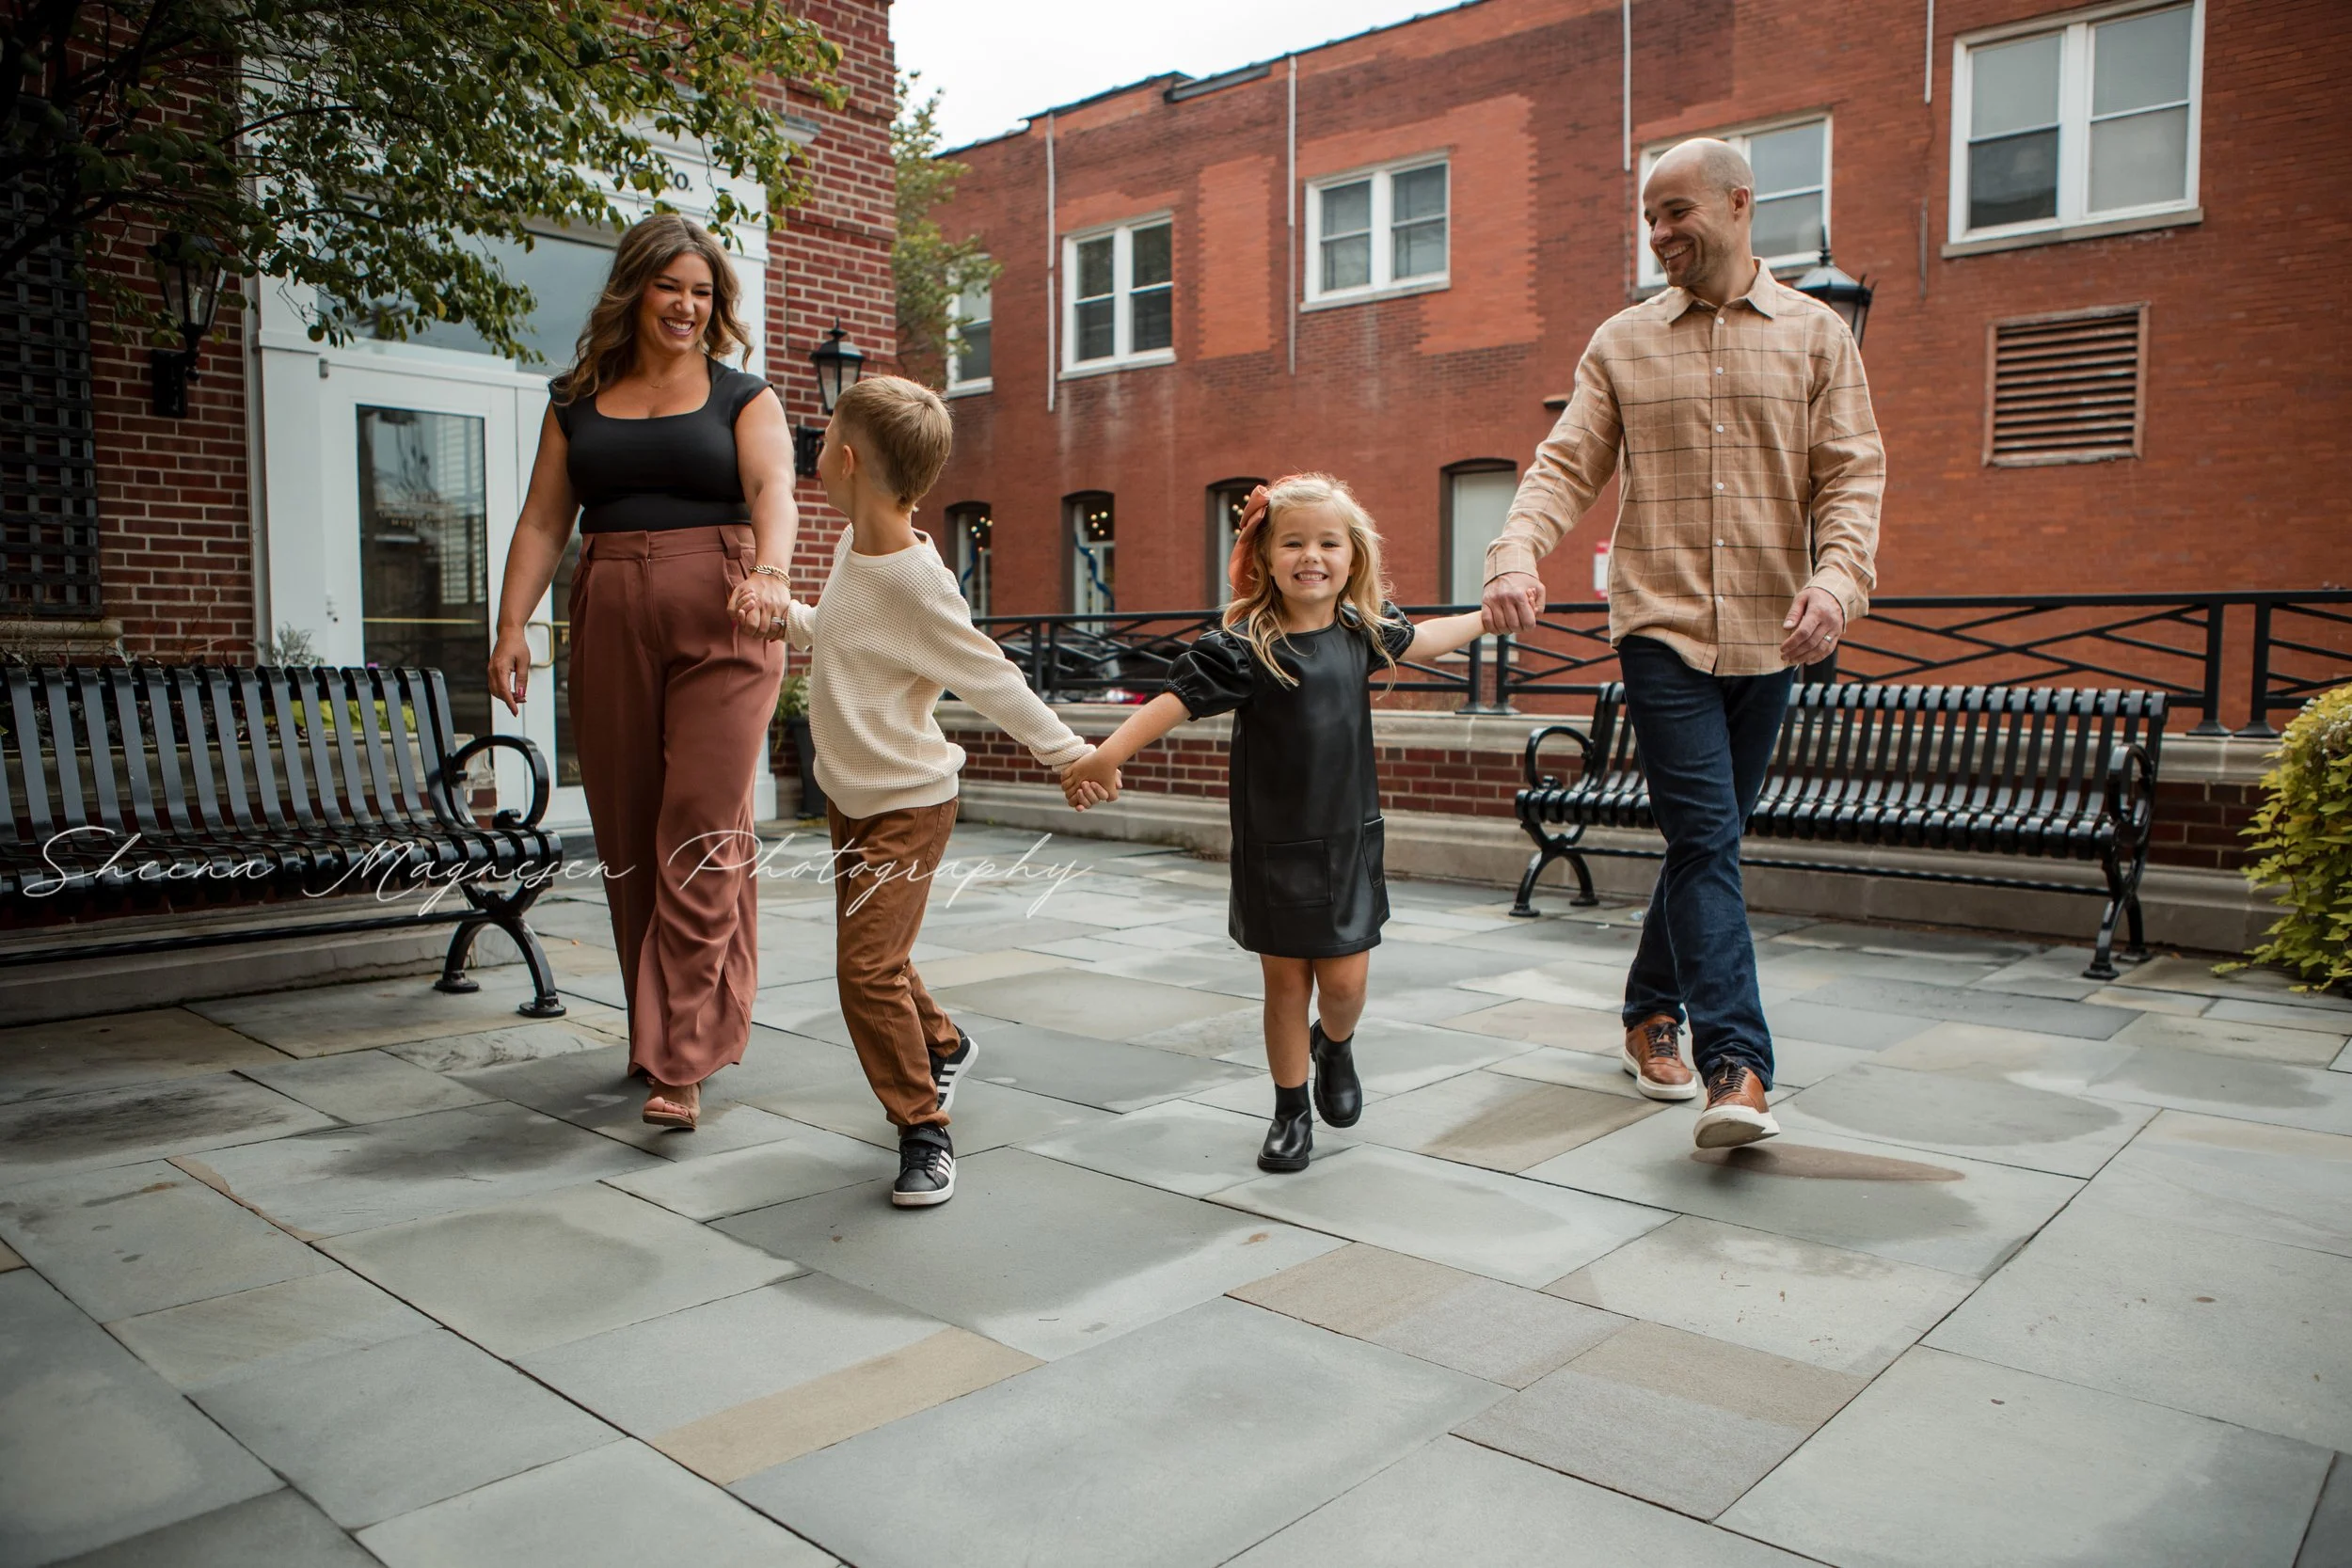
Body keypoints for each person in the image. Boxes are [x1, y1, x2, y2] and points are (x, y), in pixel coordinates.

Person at [1481, 138, 1883, 1149]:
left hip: (1772, 632)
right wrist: (1514, 553)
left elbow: (1851, 475)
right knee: (1706, 837)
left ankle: (1645, 1008)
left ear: (1740, 204)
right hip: (1659, 627)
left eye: (1676, 214)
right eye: (1649, 218)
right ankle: (1736, 1066)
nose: (1659, 235)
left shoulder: (1818, 337)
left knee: (1706, 839)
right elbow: (1563, 465)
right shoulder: (1620, 342)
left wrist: (1837, 579)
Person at [1063, 475, 1487, 1172]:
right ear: (1264, 556)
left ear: (1352, 556)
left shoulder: (1360, 633)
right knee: (1285, 985)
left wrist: (1487, 618)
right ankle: (1291, 1109)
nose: (1310, 555)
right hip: (1274, 850)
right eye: (1293, 542)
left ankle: (1335, 1045)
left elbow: (1430, 639)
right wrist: (1101, 757)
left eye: (1327, 542)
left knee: (1345, 986)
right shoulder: (1245, 646)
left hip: (1348, 844)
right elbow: (1170, 702)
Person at [770, 375, 1107, 1208]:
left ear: (846, 460)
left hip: (910, 803)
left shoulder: (919, 583)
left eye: (823, 440)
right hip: (850, 797)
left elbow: (990, 677)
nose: (816, 452)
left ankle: (925, 1130)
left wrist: (1069, 753)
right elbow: (849, 635)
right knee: (881, 958)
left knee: (865, 969)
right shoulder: (856, 548)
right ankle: (945, 1044)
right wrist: (788, 618)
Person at [488, 214, 793, 1133]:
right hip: (610, 600)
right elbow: (545, 522)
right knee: (627, 820)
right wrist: (512, 624)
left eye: (703, 292)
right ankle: (657, 1022)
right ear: (635, 290)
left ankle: (682, 1053)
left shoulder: (744, 396)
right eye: (672, 287)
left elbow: (776, 487)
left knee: (701, 822)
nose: (688, 306)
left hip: (726, 605)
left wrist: (773, 572)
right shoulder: (576, 399)